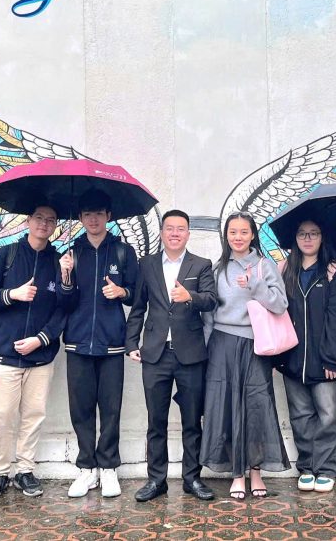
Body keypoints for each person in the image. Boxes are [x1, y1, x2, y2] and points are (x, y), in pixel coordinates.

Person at [0, 203, 69, 500]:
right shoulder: (7, 254)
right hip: (4, 352)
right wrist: (12, 294)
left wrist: (41, 339)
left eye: (50, 219)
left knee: (33, 415)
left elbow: (64, 309)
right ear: (28, 221)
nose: (44, 223)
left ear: (55, 225)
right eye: (39, 217)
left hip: (40, 355)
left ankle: (25, 470)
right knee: (2, 416)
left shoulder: (59, 261)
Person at [125, 209, 219, 502]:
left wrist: (190, 297)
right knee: (156, 421)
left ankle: (192, 479)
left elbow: (211, 300)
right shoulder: (147, 264)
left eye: (180, 228)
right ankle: (156, 480)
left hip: (190, 354)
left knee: (192, 421)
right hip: (155, 354)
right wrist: (131, 342)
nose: (175, 233)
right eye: (170, 228)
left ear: (188, 233)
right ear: (163, 232)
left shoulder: (201, 264)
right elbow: (138, 307)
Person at [201, 211, 290, 500]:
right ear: (226, 236)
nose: (238, 237)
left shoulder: (264, 266)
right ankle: (237, 475)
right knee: (227, 408)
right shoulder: (218, 268)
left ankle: (256, 472)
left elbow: (280, 305)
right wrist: (206, 349)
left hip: (255, 345)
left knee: (256, 408)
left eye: (243, 232)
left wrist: (256, 285)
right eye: (233, 232)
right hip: (222, 344)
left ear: (253, 235)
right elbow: (209, 314)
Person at [59, 188, 139, 499]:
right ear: (80, 218)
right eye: (87, 214)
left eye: (99, 214)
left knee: (110, 408)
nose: (93, 219)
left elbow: (136, 294)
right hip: (77, 342)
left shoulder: (122, 251)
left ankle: (108, 467)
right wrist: (66, 277)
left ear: (108, 216)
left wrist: (121, 292)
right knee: (80, 409)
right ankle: (86, 468)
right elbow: (63, 302)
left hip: (111, 343)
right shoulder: (71, 253)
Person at [275, 219, 336, 493]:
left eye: (314, 234)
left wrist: (332, 357)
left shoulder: (333, 270)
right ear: (295, 238)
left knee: (328, 415)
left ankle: (326, 468)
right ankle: (307, 467)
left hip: (325, 359)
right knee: (300, 415)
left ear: (322, 237)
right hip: (293, 358)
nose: (307, 239)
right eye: (302, 234)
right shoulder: (285, 270)